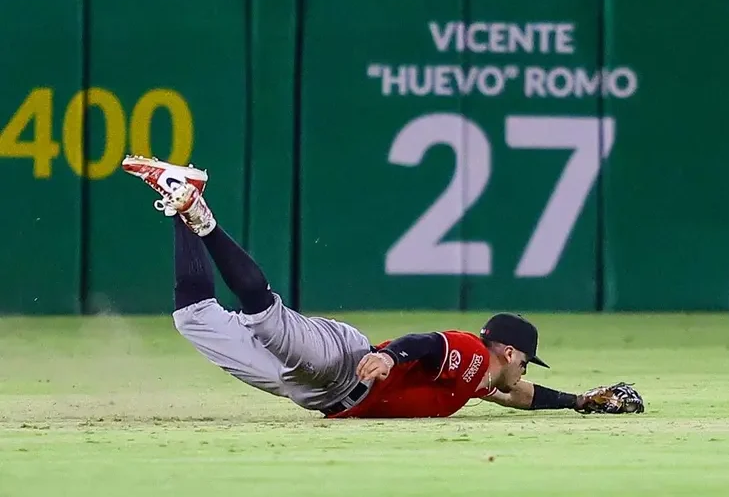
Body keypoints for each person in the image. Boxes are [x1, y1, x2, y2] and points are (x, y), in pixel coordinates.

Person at [121, 155, 645, 419]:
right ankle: (204, 220)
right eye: (526, 361)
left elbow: (521, 394)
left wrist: (580, 401)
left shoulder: (481, 380)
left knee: (192, 316)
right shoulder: (469, 353)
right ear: (508, 351)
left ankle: (182, 194)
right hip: (342, 362)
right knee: (265, 318)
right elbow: (430, 342)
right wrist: (391, 357)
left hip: (316, 390)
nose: (525, 371)